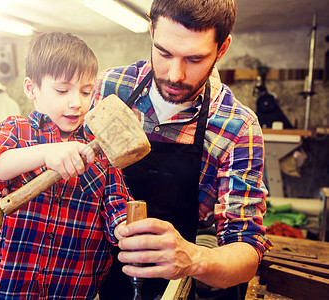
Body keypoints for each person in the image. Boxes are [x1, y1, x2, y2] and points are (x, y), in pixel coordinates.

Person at [93, 0, 273, 299]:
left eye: (194, 58)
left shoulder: (238, 127)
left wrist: (194, 258)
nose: (175, 74)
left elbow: (246, 250)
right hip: (97, 275)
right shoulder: (109, 88)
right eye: (164, 53)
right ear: (152, 31)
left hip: (180, 286)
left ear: (222, 48)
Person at [0, 32, 132, 299]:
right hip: (18, 285)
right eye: (62, 90)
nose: (76, 102)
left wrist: (124, 229)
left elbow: (117, 204)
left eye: (86, 91)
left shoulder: (100, 147)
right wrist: (46, 153)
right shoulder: (16, 131)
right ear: (31, 88)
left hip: (78, 288)